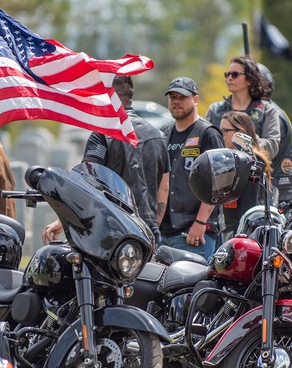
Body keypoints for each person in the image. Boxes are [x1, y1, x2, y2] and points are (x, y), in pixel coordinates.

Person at [75, 76, 169, 240]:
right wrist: (153, 225)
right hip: (148, 228)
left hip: (112, 228)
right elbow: (164, 188)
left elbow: (86, 180)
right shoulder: (159, 136)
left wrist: (62, 220)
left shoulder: (102, 134)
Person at [158, 77, 224, 260]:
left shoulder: (208, 134)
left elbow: (217, 183)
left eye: (182, 97)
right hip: (163, 233)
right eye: (172, 97)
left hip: (194, 233)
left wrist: (200, 222)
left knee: (192, 288)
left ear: (195, 99)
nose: (176, 101)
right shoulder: (163, 133)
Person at [205, 56, 282, 159]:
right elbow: (204, 143)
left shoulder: (267, 110)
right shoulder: (214, 110)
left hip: (253, 171)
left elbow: (272, 148)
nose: (229, 78)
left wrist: (244, 138)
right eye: (227, 74)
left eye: (235, 74)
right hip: (220, 171)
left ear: (250, 79)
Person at [218, 110, 271, 238]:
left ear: (240, 133)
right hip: (227, 228)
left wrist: (241, 236)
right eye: (221, 131)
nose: (222, 135)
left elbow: (249, 206)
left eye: (225, 131)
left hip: (243, 232)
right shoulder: (231, 159)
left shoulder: (252, 161)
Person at [255, 63, 292, 205]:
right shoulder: (268, 112)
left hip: (276, 196)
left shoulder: (269, 115)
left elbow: (261, 152)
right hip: (273, 193)